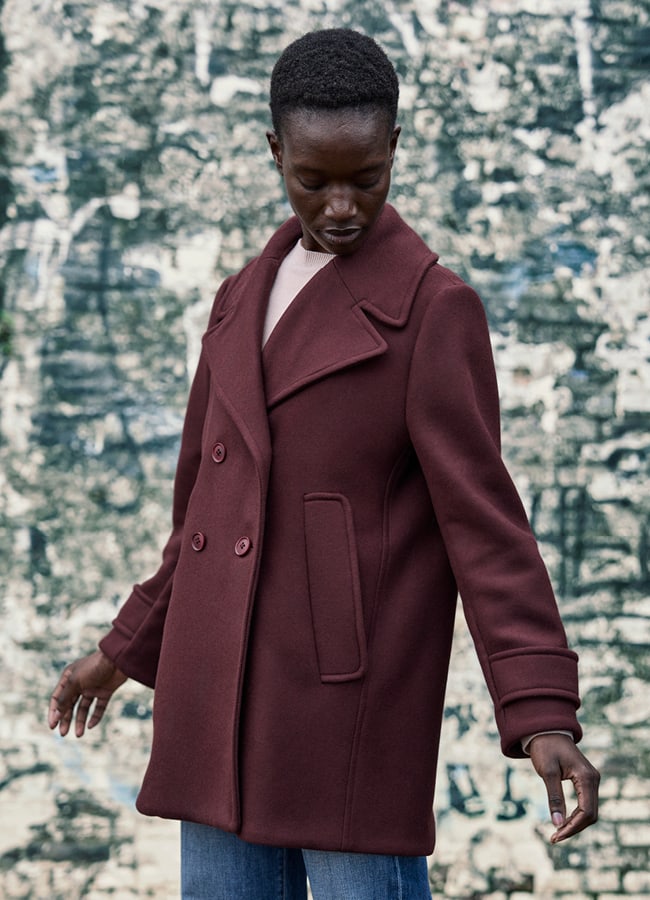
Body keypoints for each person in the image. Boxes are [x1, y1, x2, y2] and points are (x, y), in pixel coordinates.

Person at [48, 28, 599, 900]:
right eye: (314, 181)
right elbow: (203, 519)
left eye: (366, 179)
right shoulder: (239, 298)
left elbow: (487, 527)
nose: (341, 206)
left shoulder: (433, 311)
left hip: (344, 711)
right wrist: (123, 650)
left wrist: (540, 713)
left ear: (394, 152)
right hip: (213, 702)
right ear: (276, 153)